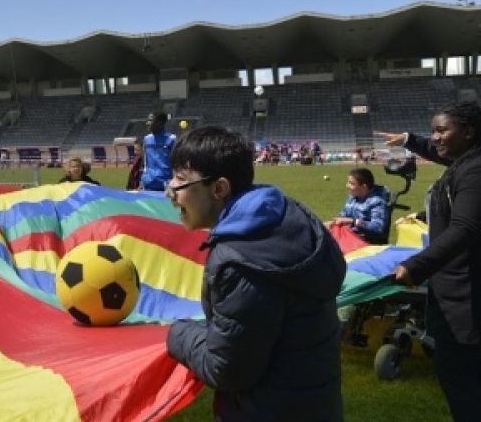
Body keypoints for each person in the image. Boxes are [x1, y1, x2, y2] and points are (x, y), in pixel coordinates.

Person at [164, 126, 346, 421]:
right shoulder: (287, 216)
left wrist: (177, 334)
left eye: (181, 181)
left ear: (219, 189)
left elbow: (227, 369)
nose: (170, 192)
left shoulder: (239, 262)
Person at [377, 101, 481, 422]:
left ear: (468, 131)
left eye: (441, 130)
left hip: (466, 300)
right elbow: (438, 154)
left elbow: (465, 227)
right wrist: (410, 139)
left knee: (463, 382)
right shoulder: (466, 161)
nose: (434, 137)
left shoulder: (474, 171)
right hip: (456, 291)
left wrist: (415, 266)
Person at [325, 167, 391, 244]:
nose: (347, 186)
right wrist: (332, 223)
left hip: (366, 242)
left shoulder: (377, 202)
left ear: (363, 187)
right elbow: (342, 216)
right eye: (348, 182)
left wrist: (354, 221)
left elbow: (378, 227)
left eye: (351, 183)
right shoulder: (352, 198)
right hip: (349, 236)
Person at [141, 110, 176, 191]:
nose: (147, 123)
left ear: (160, 123)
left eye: (150, 120)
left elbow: (177, 164)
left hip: (166, 185)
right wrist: (143, 179)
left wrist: (174, 182)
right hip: (148, 183)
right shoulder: (146, 139)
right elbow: (145, 163)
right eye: (147, 120)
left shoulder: (172, 139)